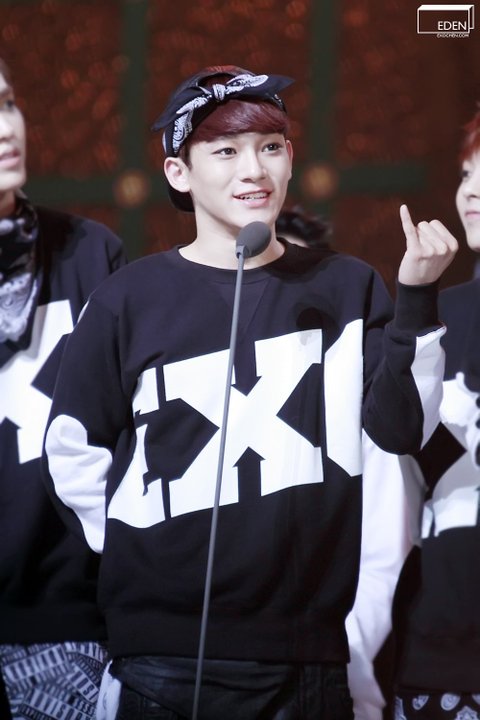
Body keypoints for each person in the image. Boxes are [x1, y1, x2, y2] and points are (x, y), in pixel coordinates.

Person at [42, 64, 456, 720]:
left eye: (270, 146)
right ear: (179, 173)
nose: (254, 169)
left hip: (310, 660)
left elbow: (401, 428)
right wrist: (138, 557)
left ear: (291, 158)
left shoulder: (346, 285)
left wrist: (415, 297)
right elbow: (71, 449)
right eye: (226, 151)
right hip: (162, 663)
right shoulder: (129, 300)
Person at [0, 57, 128, 718]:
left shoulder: (90, 253)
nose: (6, 127)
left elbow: (131, 442)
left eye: (7, 103)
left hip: (69, 626)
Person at [392, 107, 480, 719]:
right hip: (441, 646)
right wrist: (414, 297)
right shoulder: (437, 314)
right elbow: (392, 450)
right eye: (468, 173)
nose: (471, 191)